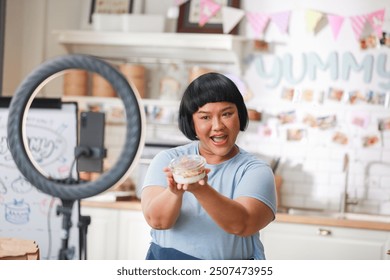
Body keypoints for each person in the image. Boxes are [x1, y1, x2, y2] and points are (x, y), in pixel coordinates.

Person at [141, 72, 277, 260]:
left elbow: (243, 224)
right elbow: (158, 221)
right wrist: (174, 191)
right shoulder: (168, 160)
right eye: (205, 117)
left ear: (240, 116)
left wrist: (201, 189)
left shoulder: (254, 170)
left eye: (227, 114)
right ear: (192, 122)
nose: (218, 126)